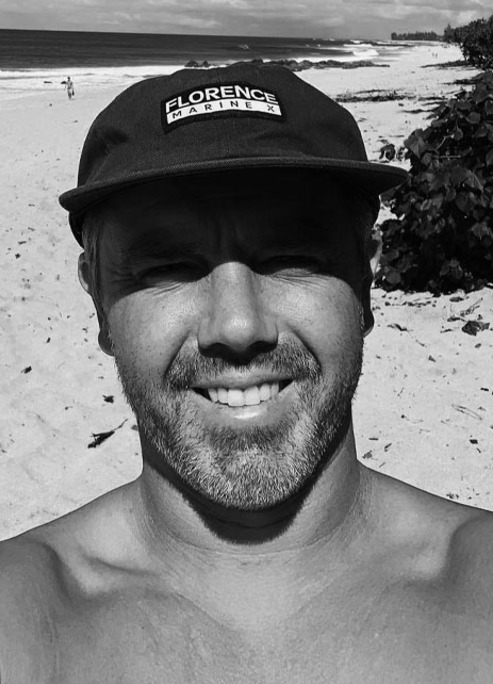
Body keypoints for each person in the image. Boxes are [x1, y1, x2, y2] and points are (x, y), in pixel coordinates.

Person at [1, 63, 492, 683]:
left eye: (291, 256)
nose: (237, 326)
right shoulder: (25, 616)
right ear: (99, 303)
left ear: (365, 279)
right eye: (168, 266)